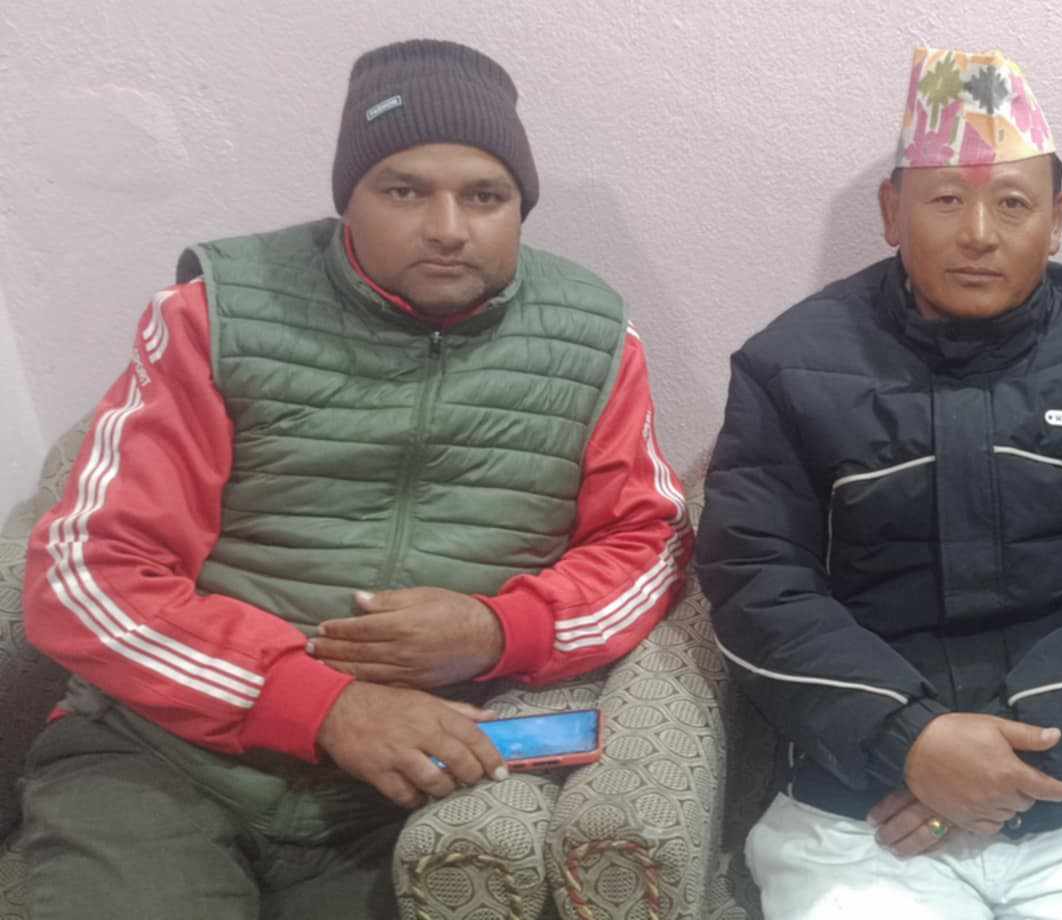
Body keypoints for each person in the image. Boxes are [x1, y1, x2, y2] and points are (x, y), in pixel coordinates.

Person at [20, 38, 690, 920]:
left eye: (485, 195)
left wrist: (499, 630)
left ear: (519, 208)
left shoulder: (595, 337)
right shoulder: (216, 314)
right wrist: (322, 704)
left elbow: (646, 544)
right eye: (404, 190)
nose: (448, 226)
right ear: (349, 199)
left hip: (398, 791)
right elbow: (84, 573)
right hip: (161, 758)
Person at [701, 46, 1062, 920]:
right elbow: (755, 581)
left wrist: (1015, 758)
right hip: (859, 809)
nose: (979, 232)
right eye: (946, 199)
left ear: (1056, 220)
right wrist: (909, 741)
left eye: (1013, 203)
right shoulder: (787, 365)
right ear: (892, 211)